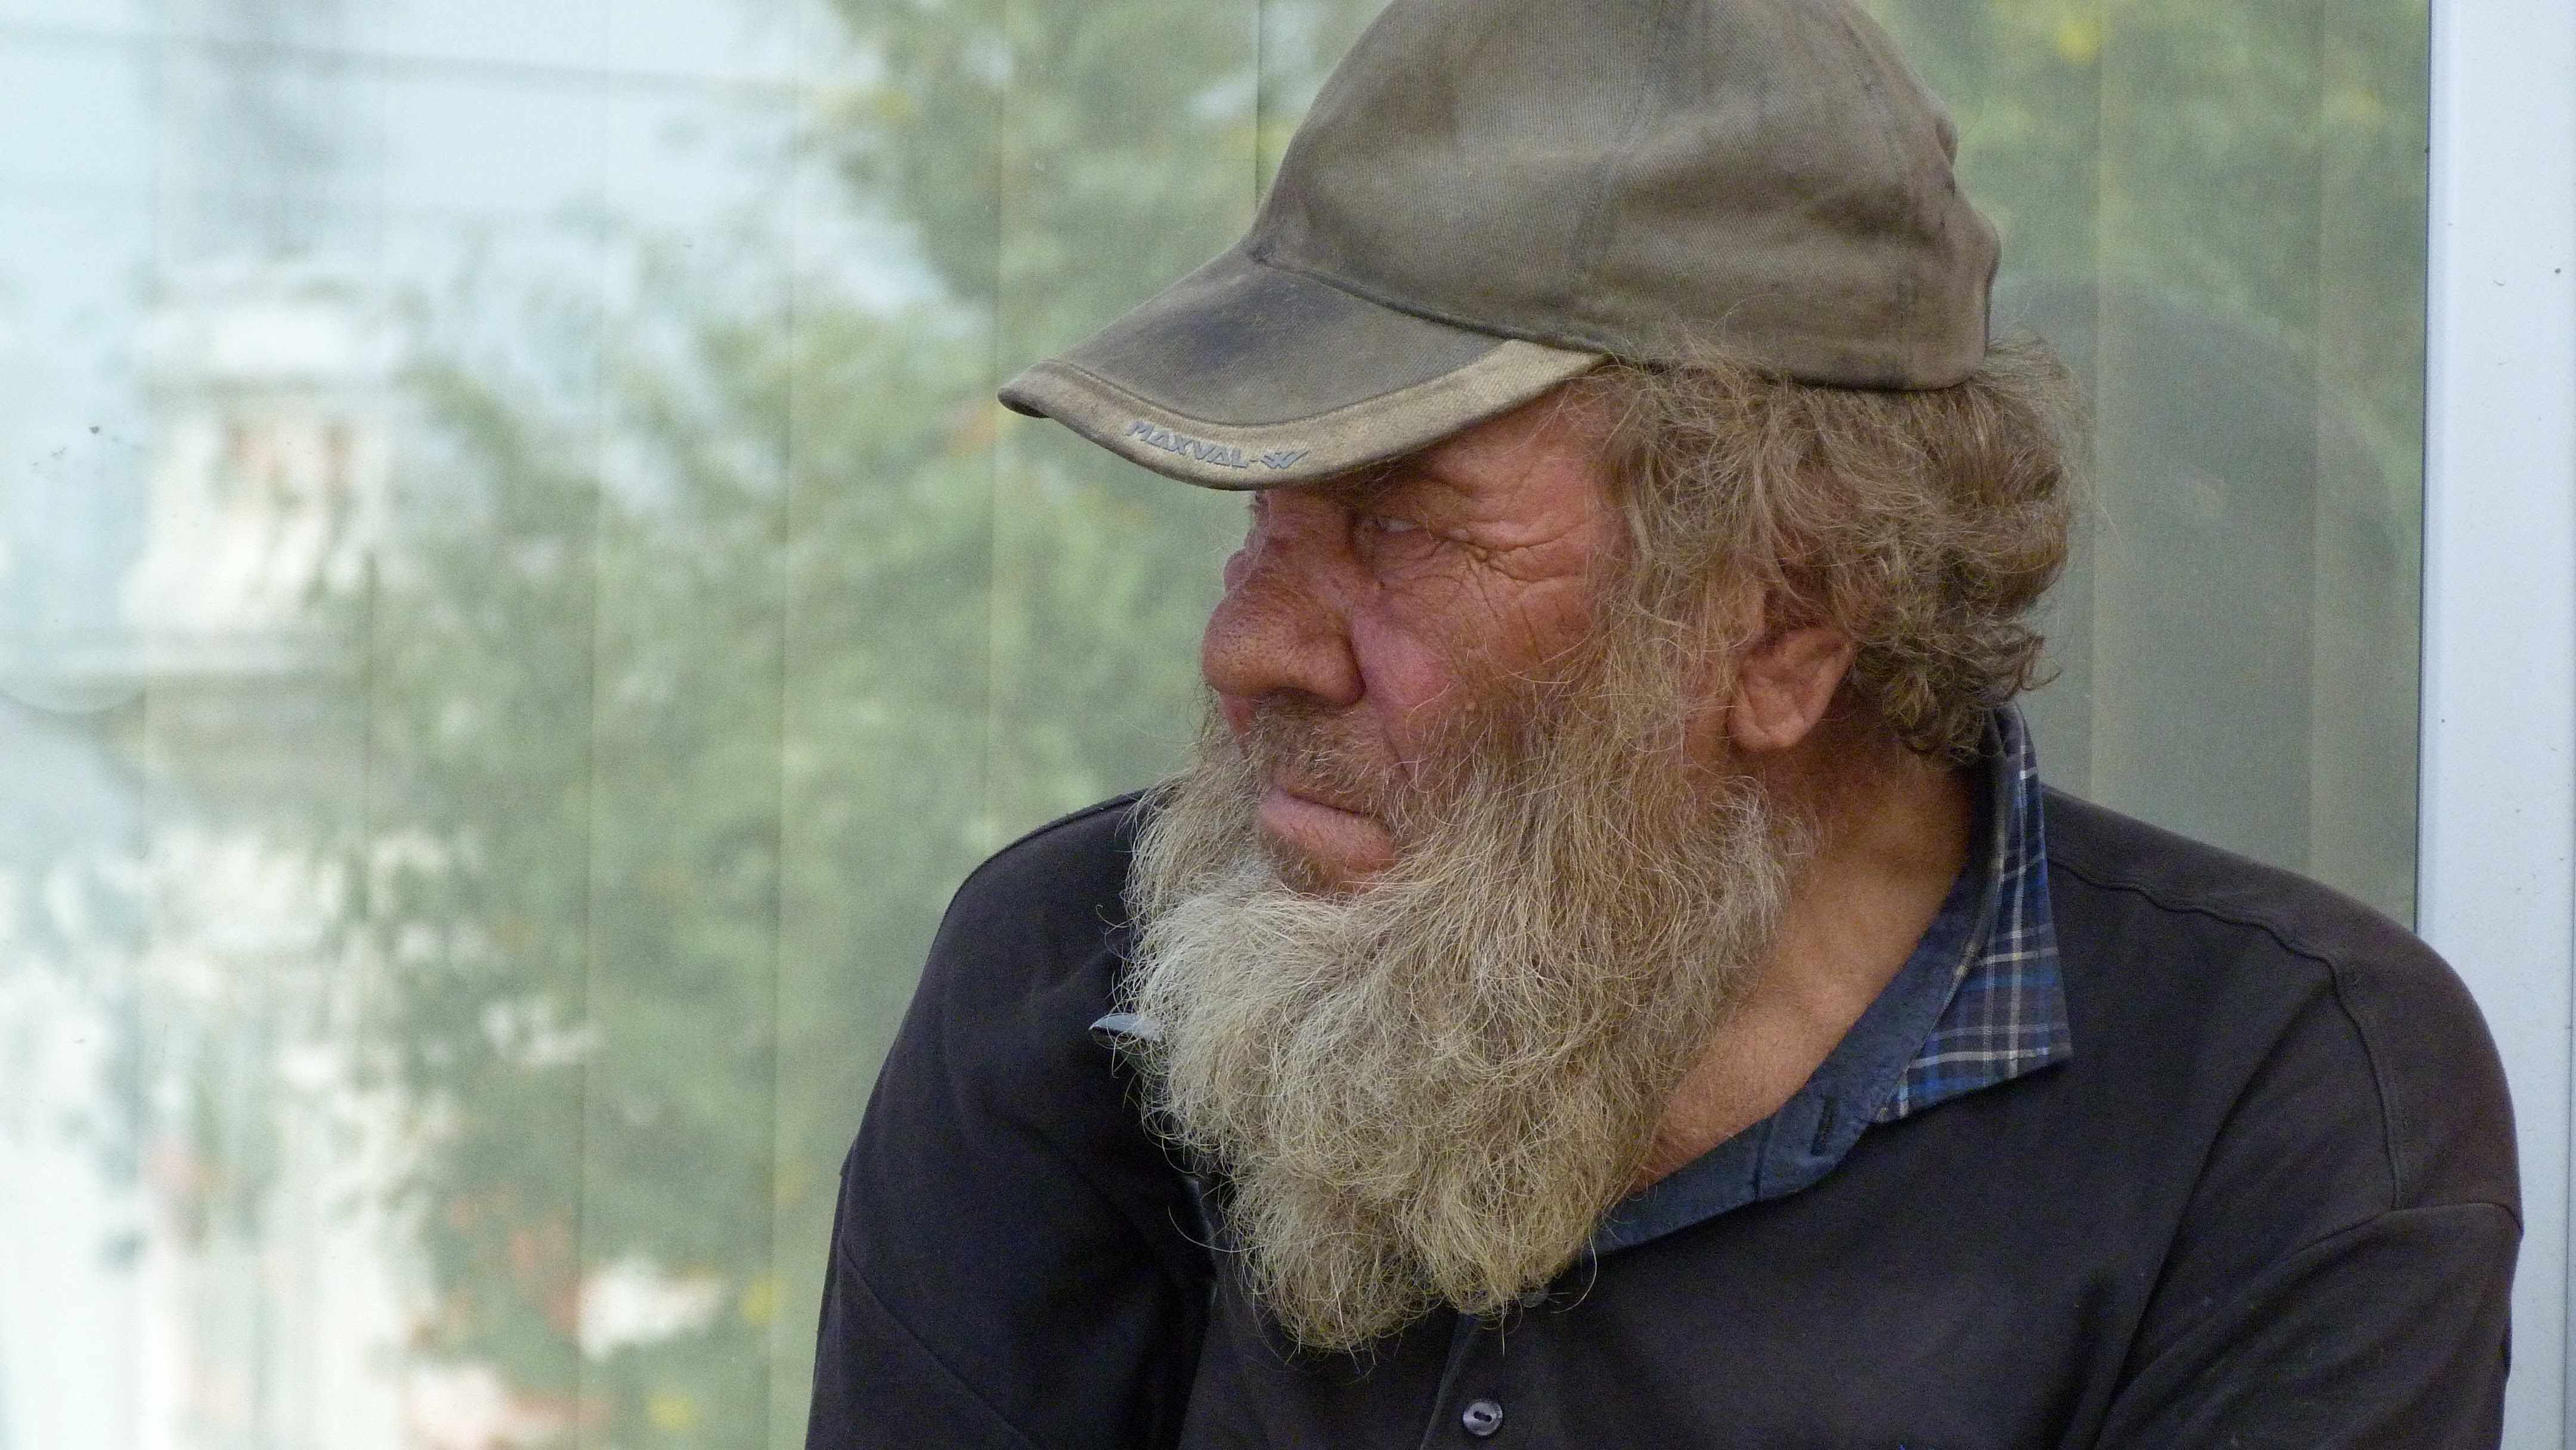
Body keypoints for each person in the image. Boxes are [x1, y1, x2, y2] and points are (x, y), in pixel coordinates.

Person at [804, 0, 2519, 1444]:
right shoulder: (1086, 986)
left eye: (1403, 531)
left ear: (1784, 622)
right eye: (1268, 515)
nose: (1248, 644)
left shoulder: (2269, 1103)